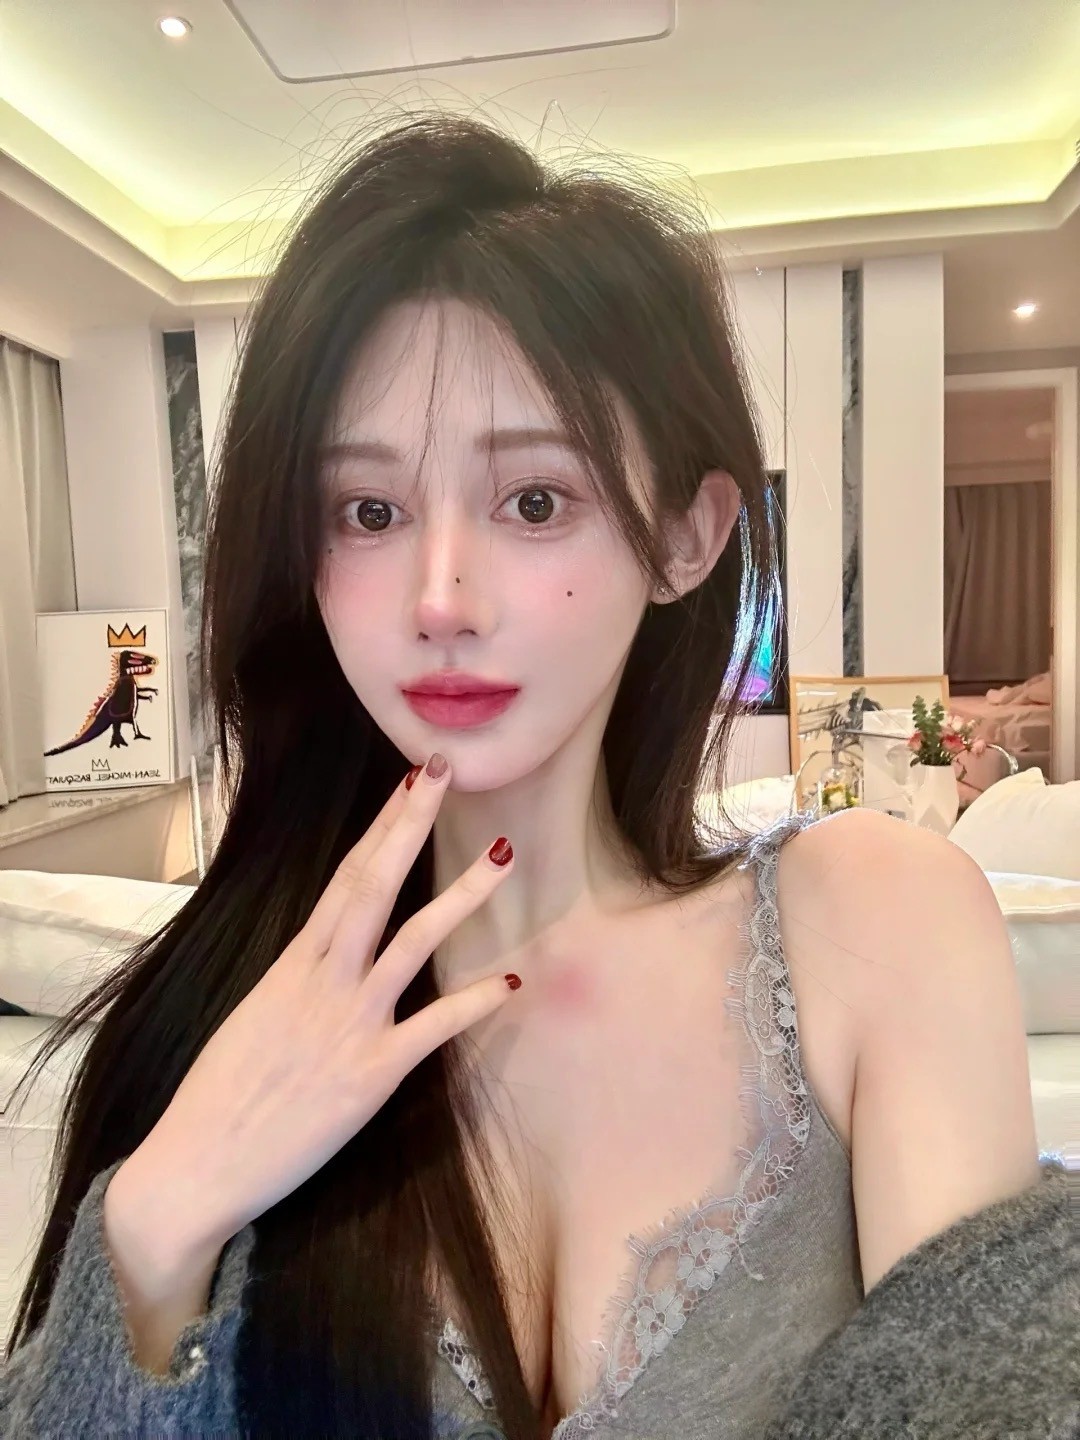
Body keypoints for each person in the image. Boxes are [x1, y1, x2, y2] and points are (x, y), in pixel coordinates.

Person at [3, 115, 1072, 1440]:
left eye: (533, 502)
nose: (440, 598)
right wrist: (160, 1220)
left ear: (685, 536)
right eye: (370, 512)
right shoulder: (217, 1024)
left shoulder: (873, 925)